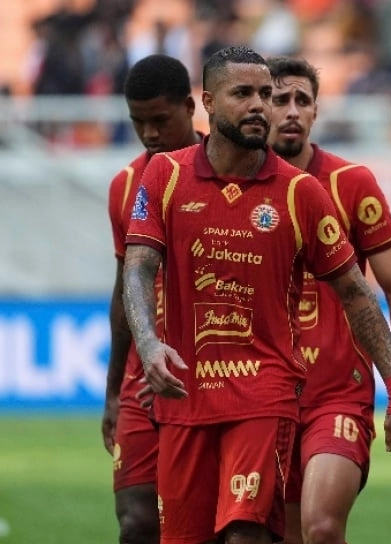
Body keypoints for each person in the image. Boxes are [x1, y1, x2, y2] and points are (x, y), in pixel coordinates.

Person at [122, 46, 391, 544]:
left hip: (264, 396)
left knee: (250, 534)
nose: (260, 105)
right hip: (186, 399)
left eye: (265, 93)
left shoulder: (299, 192)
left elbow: (356, 293)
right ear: (209, 102)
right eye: (243, 93)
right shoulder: (165, 176)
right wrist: (150, 343)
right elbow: (137, 269)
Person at [264, 55, 391, 544]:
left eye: (303, 100)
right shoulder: (241, 190)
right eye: (280, 99)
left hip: (337, 393)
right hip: (262, 393)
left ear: (317, 112)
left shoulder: (350, 183)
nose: (292, 111)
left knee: (321, 527)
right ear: (260, 107)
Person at [102, 53, 202, 544]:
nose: (150, 133)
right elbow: (124, 294)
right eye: (138, 122)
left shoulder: (233, 177)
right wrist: (113, 392)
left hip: (217, 379)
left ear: (190, 106)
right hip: (143, 382)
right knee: (138, 522)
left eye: (160, 120)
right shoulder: (124, 186)